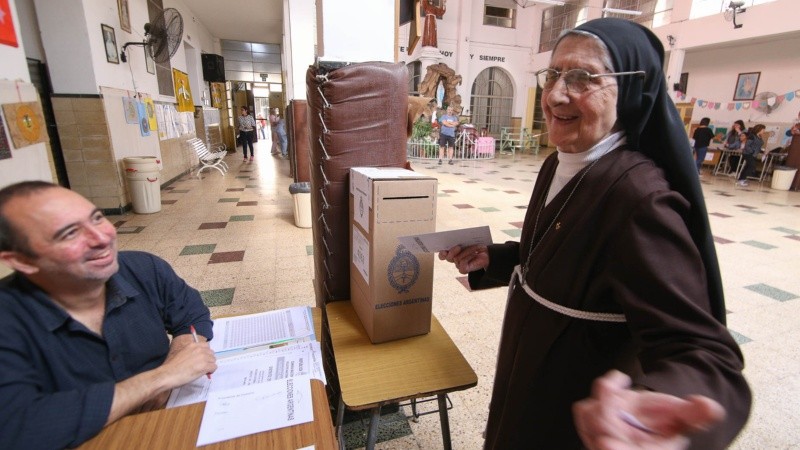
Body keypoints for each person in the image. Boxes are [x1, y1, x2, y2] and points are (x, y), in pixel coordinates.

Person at [439, 18, 750, 449]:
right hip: (527, 375)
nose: (555, 95)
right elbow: (562, 254)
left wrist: (668, 404)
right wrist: (498, 259)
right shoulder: (559, 161)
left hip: (578, 411)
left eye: (583, 78)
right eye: (552, 75)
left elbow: (703, 353)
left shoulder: (638, 198)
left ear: (633, 90)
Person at [0, 181, 217, 449]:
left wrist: (183, 351)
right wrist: (161, 378)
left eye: (97, 218)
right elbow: (17, 427)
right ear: (22, 261)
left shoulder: (143, 268)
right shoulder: (9, 319)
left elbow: (191, 314)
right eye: (69, 233)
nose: (102, 238)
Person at [785, 110, 800, 190]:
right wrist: (792, 131)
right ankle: (788, 184)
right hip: (794, 148)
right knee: (790, 164)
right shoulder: (796, 125)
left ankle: (796, 186)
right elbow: (787, 133)